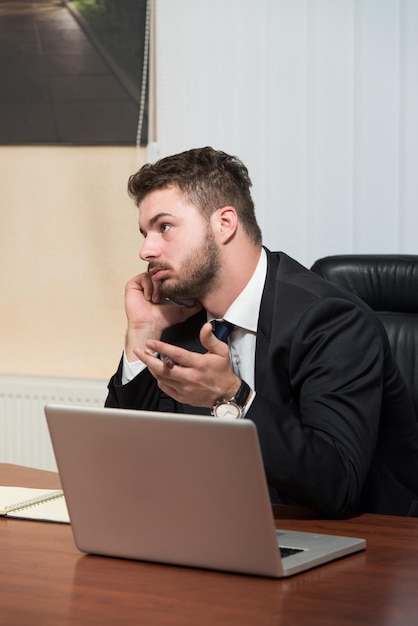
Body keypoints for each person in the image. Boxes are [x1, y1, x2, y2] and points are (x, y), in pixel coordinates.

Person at [106, 146, 418, 518]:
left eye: (164, 227)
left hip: (358, 544)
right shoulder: (181, 318)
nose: (146, 249)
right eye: (144, 232)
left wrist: (232, 397)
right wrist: (142, 330)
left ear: (224, 223)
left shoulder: (332, 321)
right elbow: (127, 460)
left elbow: (337, 485)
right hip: (226, 530)